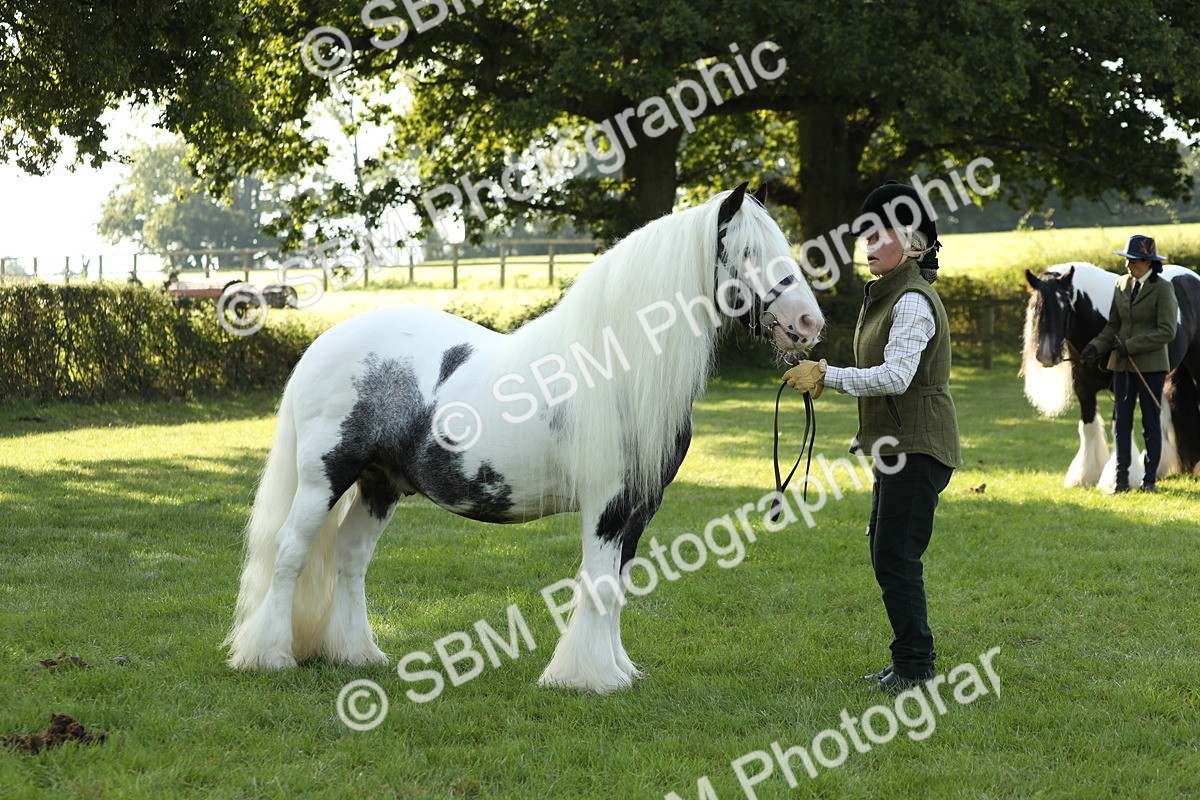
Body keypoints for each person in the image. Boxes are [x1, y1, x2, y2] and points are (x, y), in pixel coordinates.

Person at [782, 181, 962, 692]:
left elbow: (895, 377)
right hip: (897, 447)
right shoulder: (886, 294)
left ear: (913, 244)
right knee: (889, 554)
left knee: (895, 556)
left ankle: (915, 667)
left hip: (920, 447)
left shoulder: (910, 301)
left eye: (880, 233)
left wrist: (828, 374)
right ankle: (909, 660)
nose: (868, 242)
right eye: (865, 232)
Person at [1079, 235, 1179, 493]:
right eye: (1126, 260)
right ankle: (1121, 480)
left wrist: (1130, 346)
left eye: (1132, 261)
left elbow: (1166, 331)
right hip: (1122, 366)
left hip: (1151, 368)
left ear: (1148, 262)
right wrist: (1095, 346)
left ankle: (1149, 481)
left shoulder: (1163, 289)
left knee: (1150, 424)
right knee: (1121, 424)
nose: (1127, 265)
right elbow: (1113, 325)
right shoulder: (1121, 284)